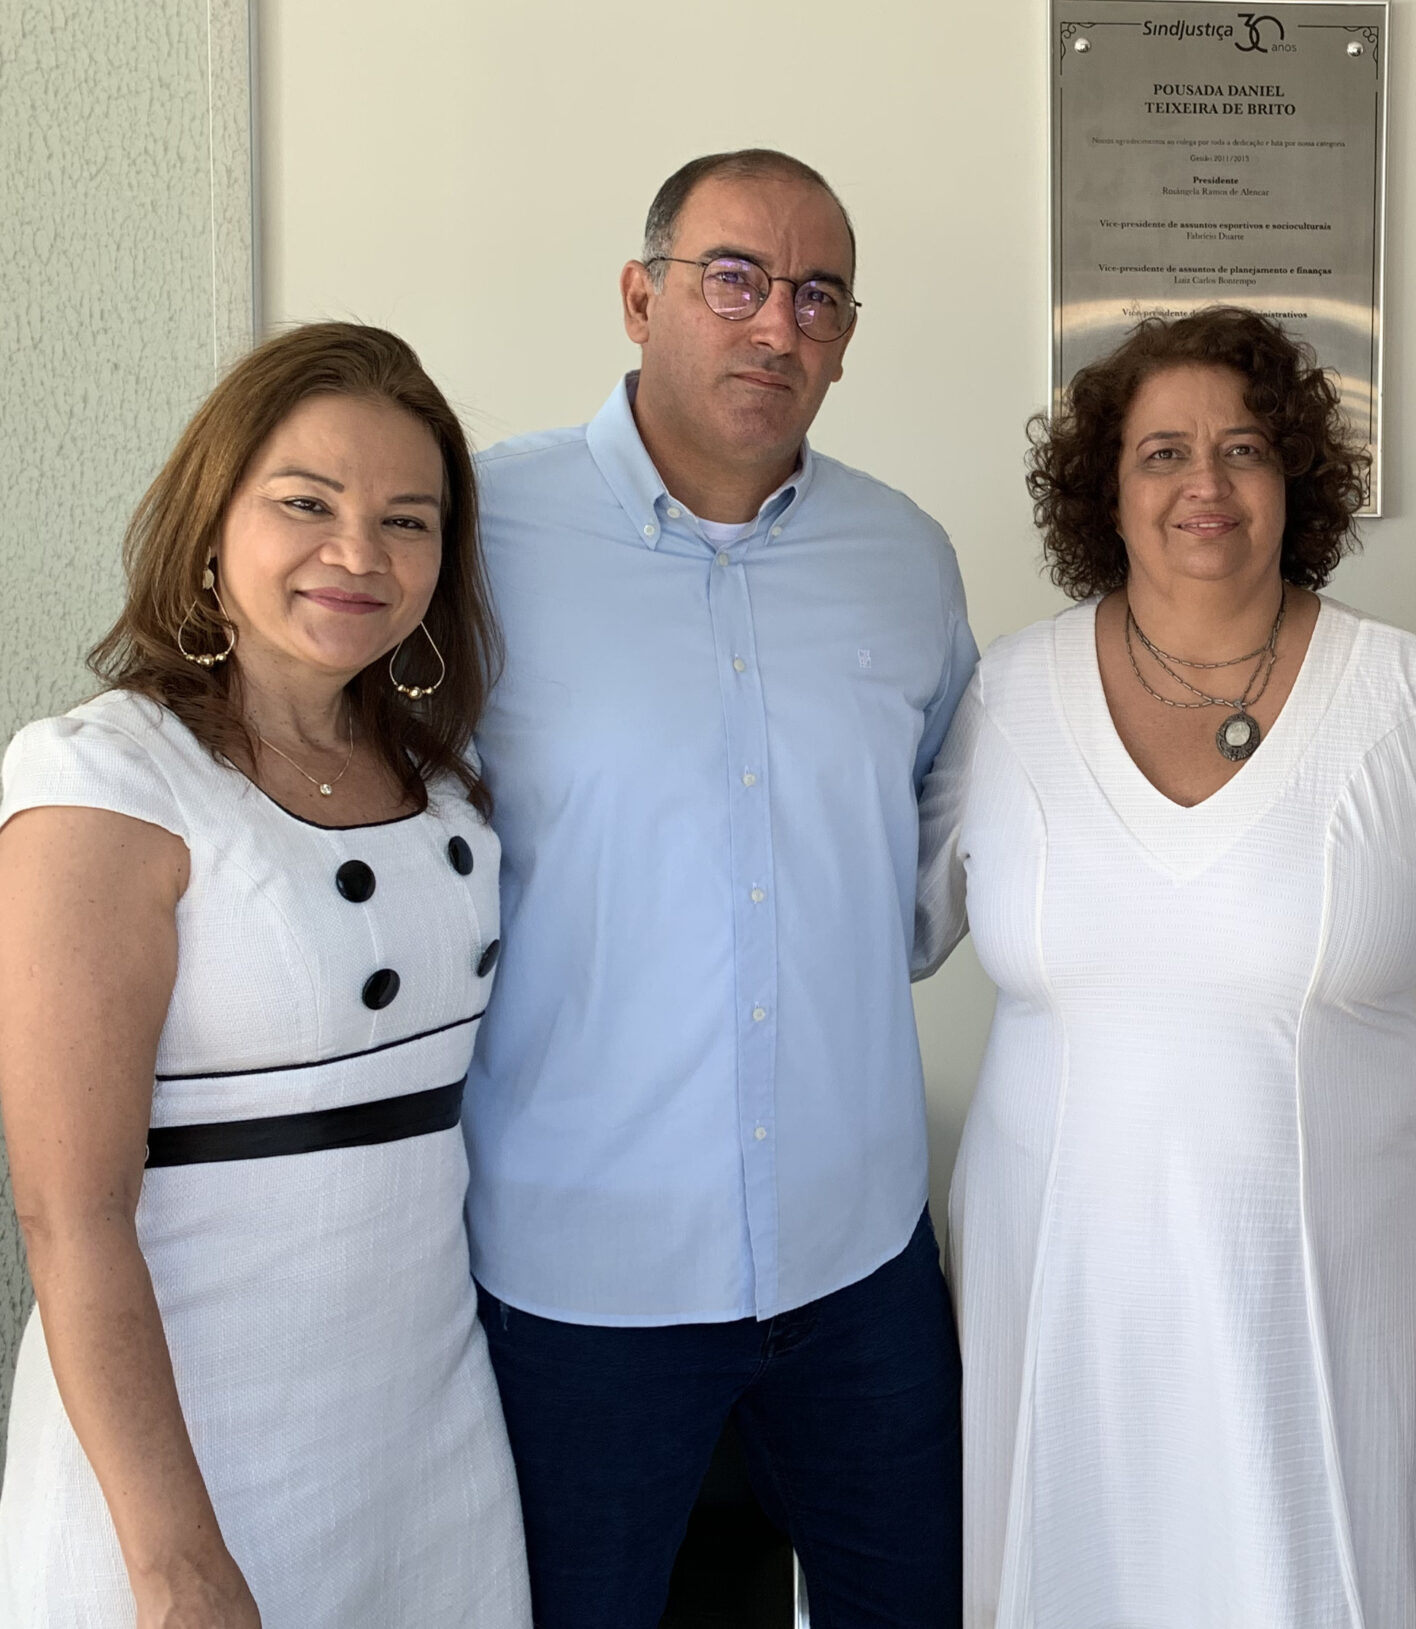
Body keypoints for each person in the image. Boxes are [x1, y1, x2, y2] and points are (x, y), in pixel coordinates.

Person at [913, 306, 1416, 1628]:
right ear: (1106, 489)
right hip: (1063, 1281)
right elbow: (892, 928)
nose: (1204, 484)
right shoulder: (1008, 698)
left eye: (1245, 449)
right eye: (1162, 452)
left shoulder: (1401, 696)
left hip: (1334, 1281)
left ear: (1296, 480)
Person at [463, 149, 975, 1625]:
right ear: (640, 298)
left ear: (848, 339)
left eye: (818, 297)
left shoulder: (904, 558)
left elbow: (936, 825)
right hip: (581, 1273)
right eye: (733, 280)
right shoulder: (479, 535)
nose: (776, 326)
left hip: (856, 1257)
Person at [0, 323, 528, 1626]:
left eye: (407, 521)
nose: (359, 554)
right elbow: (71, 1212)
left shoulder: (444, 778)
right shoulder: (105, 779)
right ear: (212, 519)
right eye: (306, 503)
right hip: (194, 1455)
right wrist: (175, 1559)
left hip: (428, 1440)